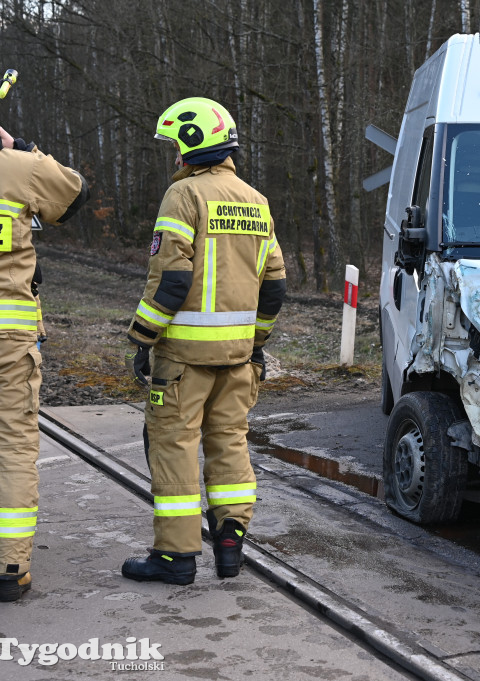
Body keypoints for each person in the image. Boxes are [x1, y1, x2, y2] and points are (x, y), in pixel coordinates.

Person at [121, 97, 286, 585]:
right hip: (237, 360)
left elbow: (171, 279)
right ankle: (230, 544)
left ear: (193, 145)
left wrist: (142, 338)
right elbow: (275, 287)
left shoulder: (184, 197)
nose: (174, 156)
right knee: (229, 444)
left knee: (173, 446)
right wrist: (253, 342)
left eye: (176, 145)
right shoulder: (257, 201)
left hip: (183, 361)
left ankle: (175, 559)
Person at [0, 57, 89, 602]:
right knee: (8, 445)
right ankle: (8, 566)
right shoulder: (17, 167)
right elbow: (74, 193)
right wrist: (19, 145)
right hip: (5, 343)